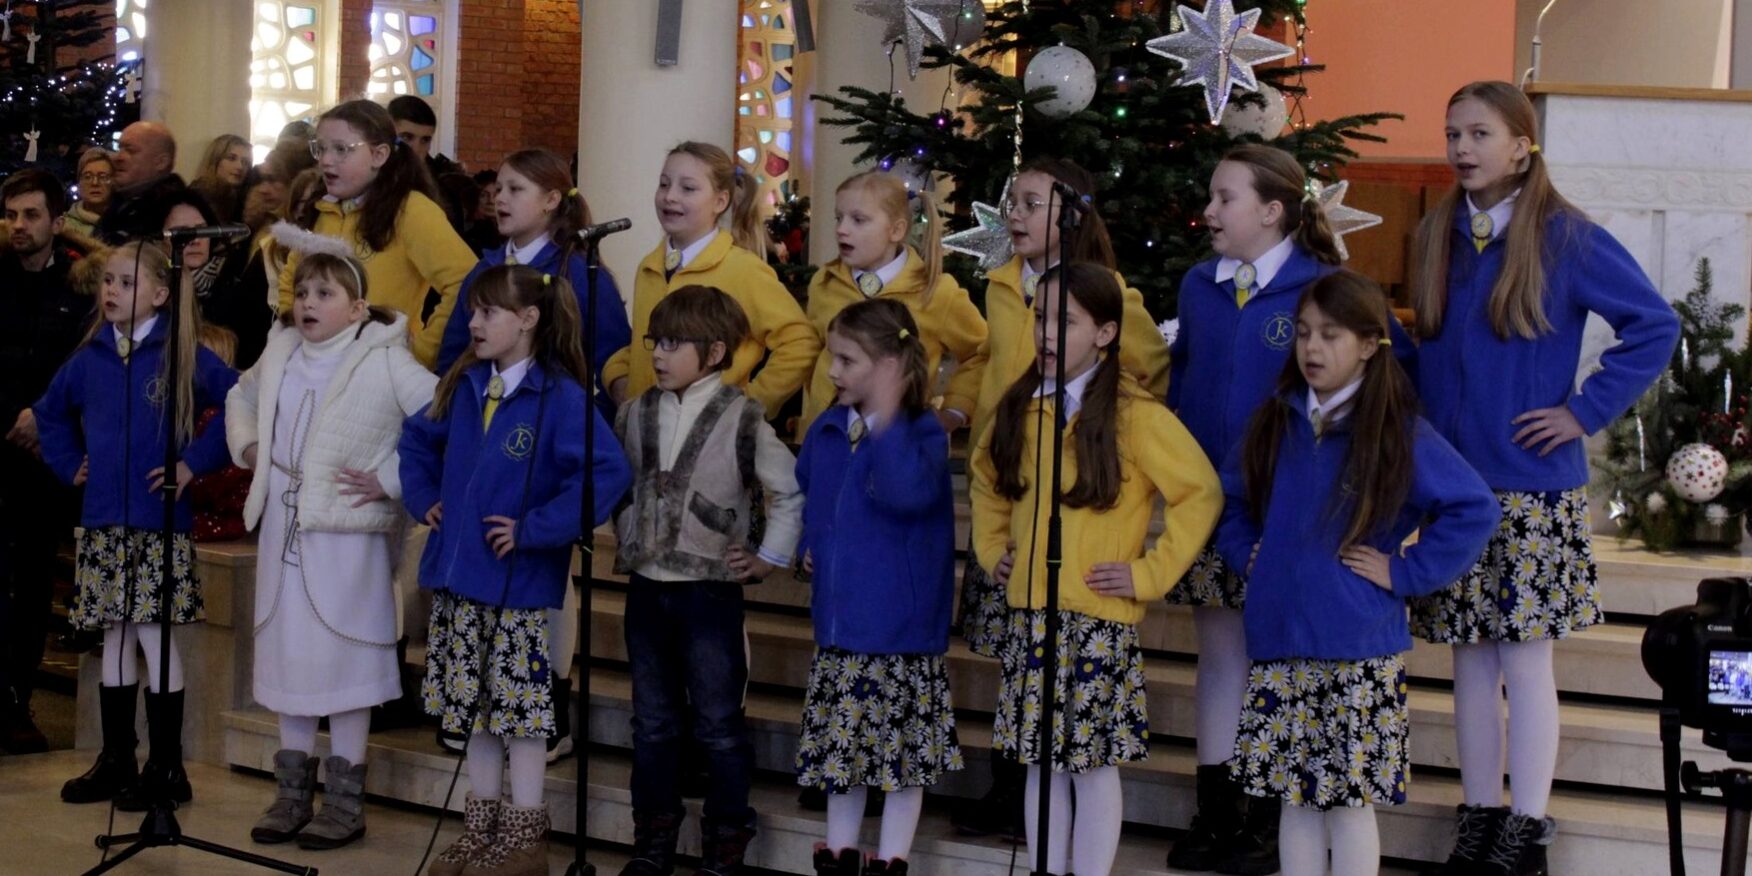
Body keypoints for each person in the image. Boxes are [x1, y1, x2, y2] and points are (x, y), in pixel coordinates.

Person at [1407, 81, 1681, 875]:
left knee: (1523, 662)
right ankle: (1479, 817)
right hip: (1454, 486)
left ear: (1522, 147)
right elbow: (1425, 354)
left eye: (1479, 133)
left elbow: (1653, 326)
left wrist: (1582, 411)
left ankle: (1525, 827)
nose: (1461, 148)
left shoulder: (1566, 237)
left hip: (1532, 487)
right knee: (1468, 660)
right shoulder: (1435, 233)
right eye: (1452, 133)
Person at [1164, 143, 1415, 873]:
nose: (1209, 211)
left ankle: (1270, 812)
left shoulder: (1325, 290)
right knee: (1220, 653)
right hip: (1217, 506)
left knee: (1279, 663)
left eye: (1225, 199)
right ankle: (1219, 811)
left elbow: (1392, 383)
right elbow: (1185, 382)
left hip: (1299, 518)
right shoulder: (1199, 285)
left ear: (1272, 211)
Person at [1215, 270, 1498, 876]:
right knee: (1295, 800)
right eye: (1303, 333)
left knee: (1347, 805)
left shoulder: (1396, 429)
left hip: (1356, 650)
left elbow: (1474, 507)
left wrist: (1405, 572)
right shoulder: (1276, 420)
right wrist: (1246, 553)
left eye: (1331, 335)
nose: (1312, 348)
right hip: (1279, 643)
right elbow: (1231, 501)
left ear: (1370, 343)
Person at [970, 262, 1221, 876]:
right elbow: (987, 479)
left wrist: (1148, 574)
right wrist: (993, 549)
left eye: (1066, 321)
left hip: (1096, 622)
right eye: (1039, 318)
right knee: (1040, 762)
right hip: (1033, 613)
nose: (1046, 333)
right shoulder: (1021, 406)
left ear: (1106, 333)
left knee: (1090, 764)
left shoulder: (1135, 415)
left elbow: (1199, 492)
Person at [952, 157, 1172, 840]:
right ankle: (1012, 781)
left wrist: (1101, 427)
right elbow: (988, 360)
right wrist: (964, 409)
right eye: (1011, 203)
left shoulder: (1108, 295)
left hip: (1067, 502)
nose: (1014, 216)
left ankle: (1039, 791)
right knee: (1014, 650)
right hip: (1010, 486)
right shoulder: (1001, 286)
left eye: (1030, 204)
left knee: (1052, 658)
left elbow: (1148, 367)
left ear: (1072, 215)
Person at [400, 264, 631, 876]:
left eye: (488, 312)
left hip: (516, 589)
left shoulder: (561, 397)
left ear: (529, 319)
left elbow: (607, 472)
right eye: (472, 312)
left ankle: (526, 836)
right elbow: (416, 440)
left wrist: (537, 528)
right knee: (473, 713)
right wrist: (423, 497)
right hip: (458, 580)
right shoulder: (464, 383)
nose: (474, 324)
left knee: (519, 716)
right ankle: (480, 831)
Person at [228, 246, 436, 850]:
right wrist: (249, 448)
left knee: (345, 660)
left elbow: (440, 417)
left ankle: (345, 802)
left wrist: (391, 478)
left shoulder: (384, 357)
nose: (308, 304)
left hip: (347, 539)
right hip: (285, 527)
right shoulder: (281, 351)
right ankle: (291, 794)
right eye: (302, 292)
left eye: (325, 294)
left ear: (357, 307)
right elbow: (242, 398)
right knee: (290, 653)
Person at [39, 240, 238, 808]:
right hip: (104, 519)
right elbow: (50, 414)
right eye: (108, 281)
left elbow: (238, 400)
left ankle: (167, 765)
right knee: (116, 633)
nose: (111, 291)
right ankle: (117, 758)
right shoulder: (90, 358)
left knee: (155, 634)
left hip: (157, 523)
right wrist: (68, 463)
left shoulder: (182, 354)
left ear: (160, 293)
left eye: (126, 283)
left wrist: (192, 462)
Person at [611, 285, 802, 876]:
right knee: (653, 722)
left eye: (674, 344)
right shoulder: (634, 412)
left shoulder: (743, 417)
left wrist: (768, 557)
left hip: (709, 592)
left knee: (718, 724)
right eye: (655, 341)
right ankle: (653, 841)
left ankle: (724, 840)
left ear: (715, 352)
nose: (658, 354)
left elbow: (788, 489)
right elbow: (617, 480)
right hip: (647, 588)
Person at [796, 299, 962, 876]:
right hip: (841, 631)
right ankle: (838, 857)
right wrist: (810, 545)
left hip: (898, 637)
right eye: (832, 357)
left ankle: (891, 861)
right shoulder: (827, 427)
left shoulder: (921, 433)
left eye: (848, 360)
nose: (832, 371)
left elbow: (904, 493)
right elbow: (813, 493)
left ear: (890, 367)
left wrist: (888, 419)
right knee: (841, 762)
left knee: (900, 763)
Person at [601, 141, 820, 416]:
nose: (670, 196)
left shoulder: (743, 269)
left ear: (720, 201)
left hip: (709, 434)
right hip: (646, 429)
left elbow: (800, 342)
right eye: (664, 184)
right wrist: (618, 376)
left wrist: (750, 405)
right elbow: (645, 344)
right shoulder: (649, 267)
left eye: (688, 188)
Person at [0, 169, 99, 753]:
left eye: (31, 214)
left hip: (48, 455)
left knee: (34, 581)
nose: (19, 225)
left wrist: (43, 418)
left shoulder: (81, 287)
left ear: (58, 222)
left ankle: (17, 700)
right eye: (12, 214)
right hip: (0, 444)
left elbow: (85, 366)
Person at [277, 99, 478, 369]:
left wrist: (421, 352)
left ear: (379, 155)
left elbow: (466, 280)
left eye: (341, 149)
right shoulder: (323, 209)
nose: (325, 160)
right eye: (321, 148)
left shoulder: (411, 211)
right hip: (318, 364)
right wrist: (295, 335)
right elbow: (292, 278)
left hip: (379, 369)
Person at [795, 169, 985, 441]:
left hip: (899, 446)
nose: (841, 229)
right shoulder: (824, 284)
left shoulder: (937, 291)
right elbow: (811, 355)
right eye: (839, 217)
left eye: (858, 220)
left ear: (896, 230)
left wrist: (956, 410)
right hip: (829, 441)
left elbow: (980, 353)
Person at [163, 188, 273, 369]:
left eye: (202, 230)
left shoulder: (236, 289)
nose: (195, 240)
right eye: (182, 232)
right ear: (161, 240)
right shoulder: (154, 290)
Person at [97, 121, 188, 245]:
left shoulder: (176, 211)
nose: (118, 157)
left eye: (131, 151)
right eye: (119, 148)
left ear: (161, 162)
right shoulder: (119, 204)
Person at [188, 133, 252, 224]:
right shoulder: (196, 196)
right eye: (231, 158)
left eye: (245, 162)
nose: (240, 166)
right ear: (214, 160)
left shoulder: (244, 201)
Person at [63, 147, 115, 239]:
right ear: (79, 183)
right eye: (87, 177)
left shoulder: (127, 226)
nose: (95, 183)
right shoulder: (62, 227)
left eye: (102, 177)